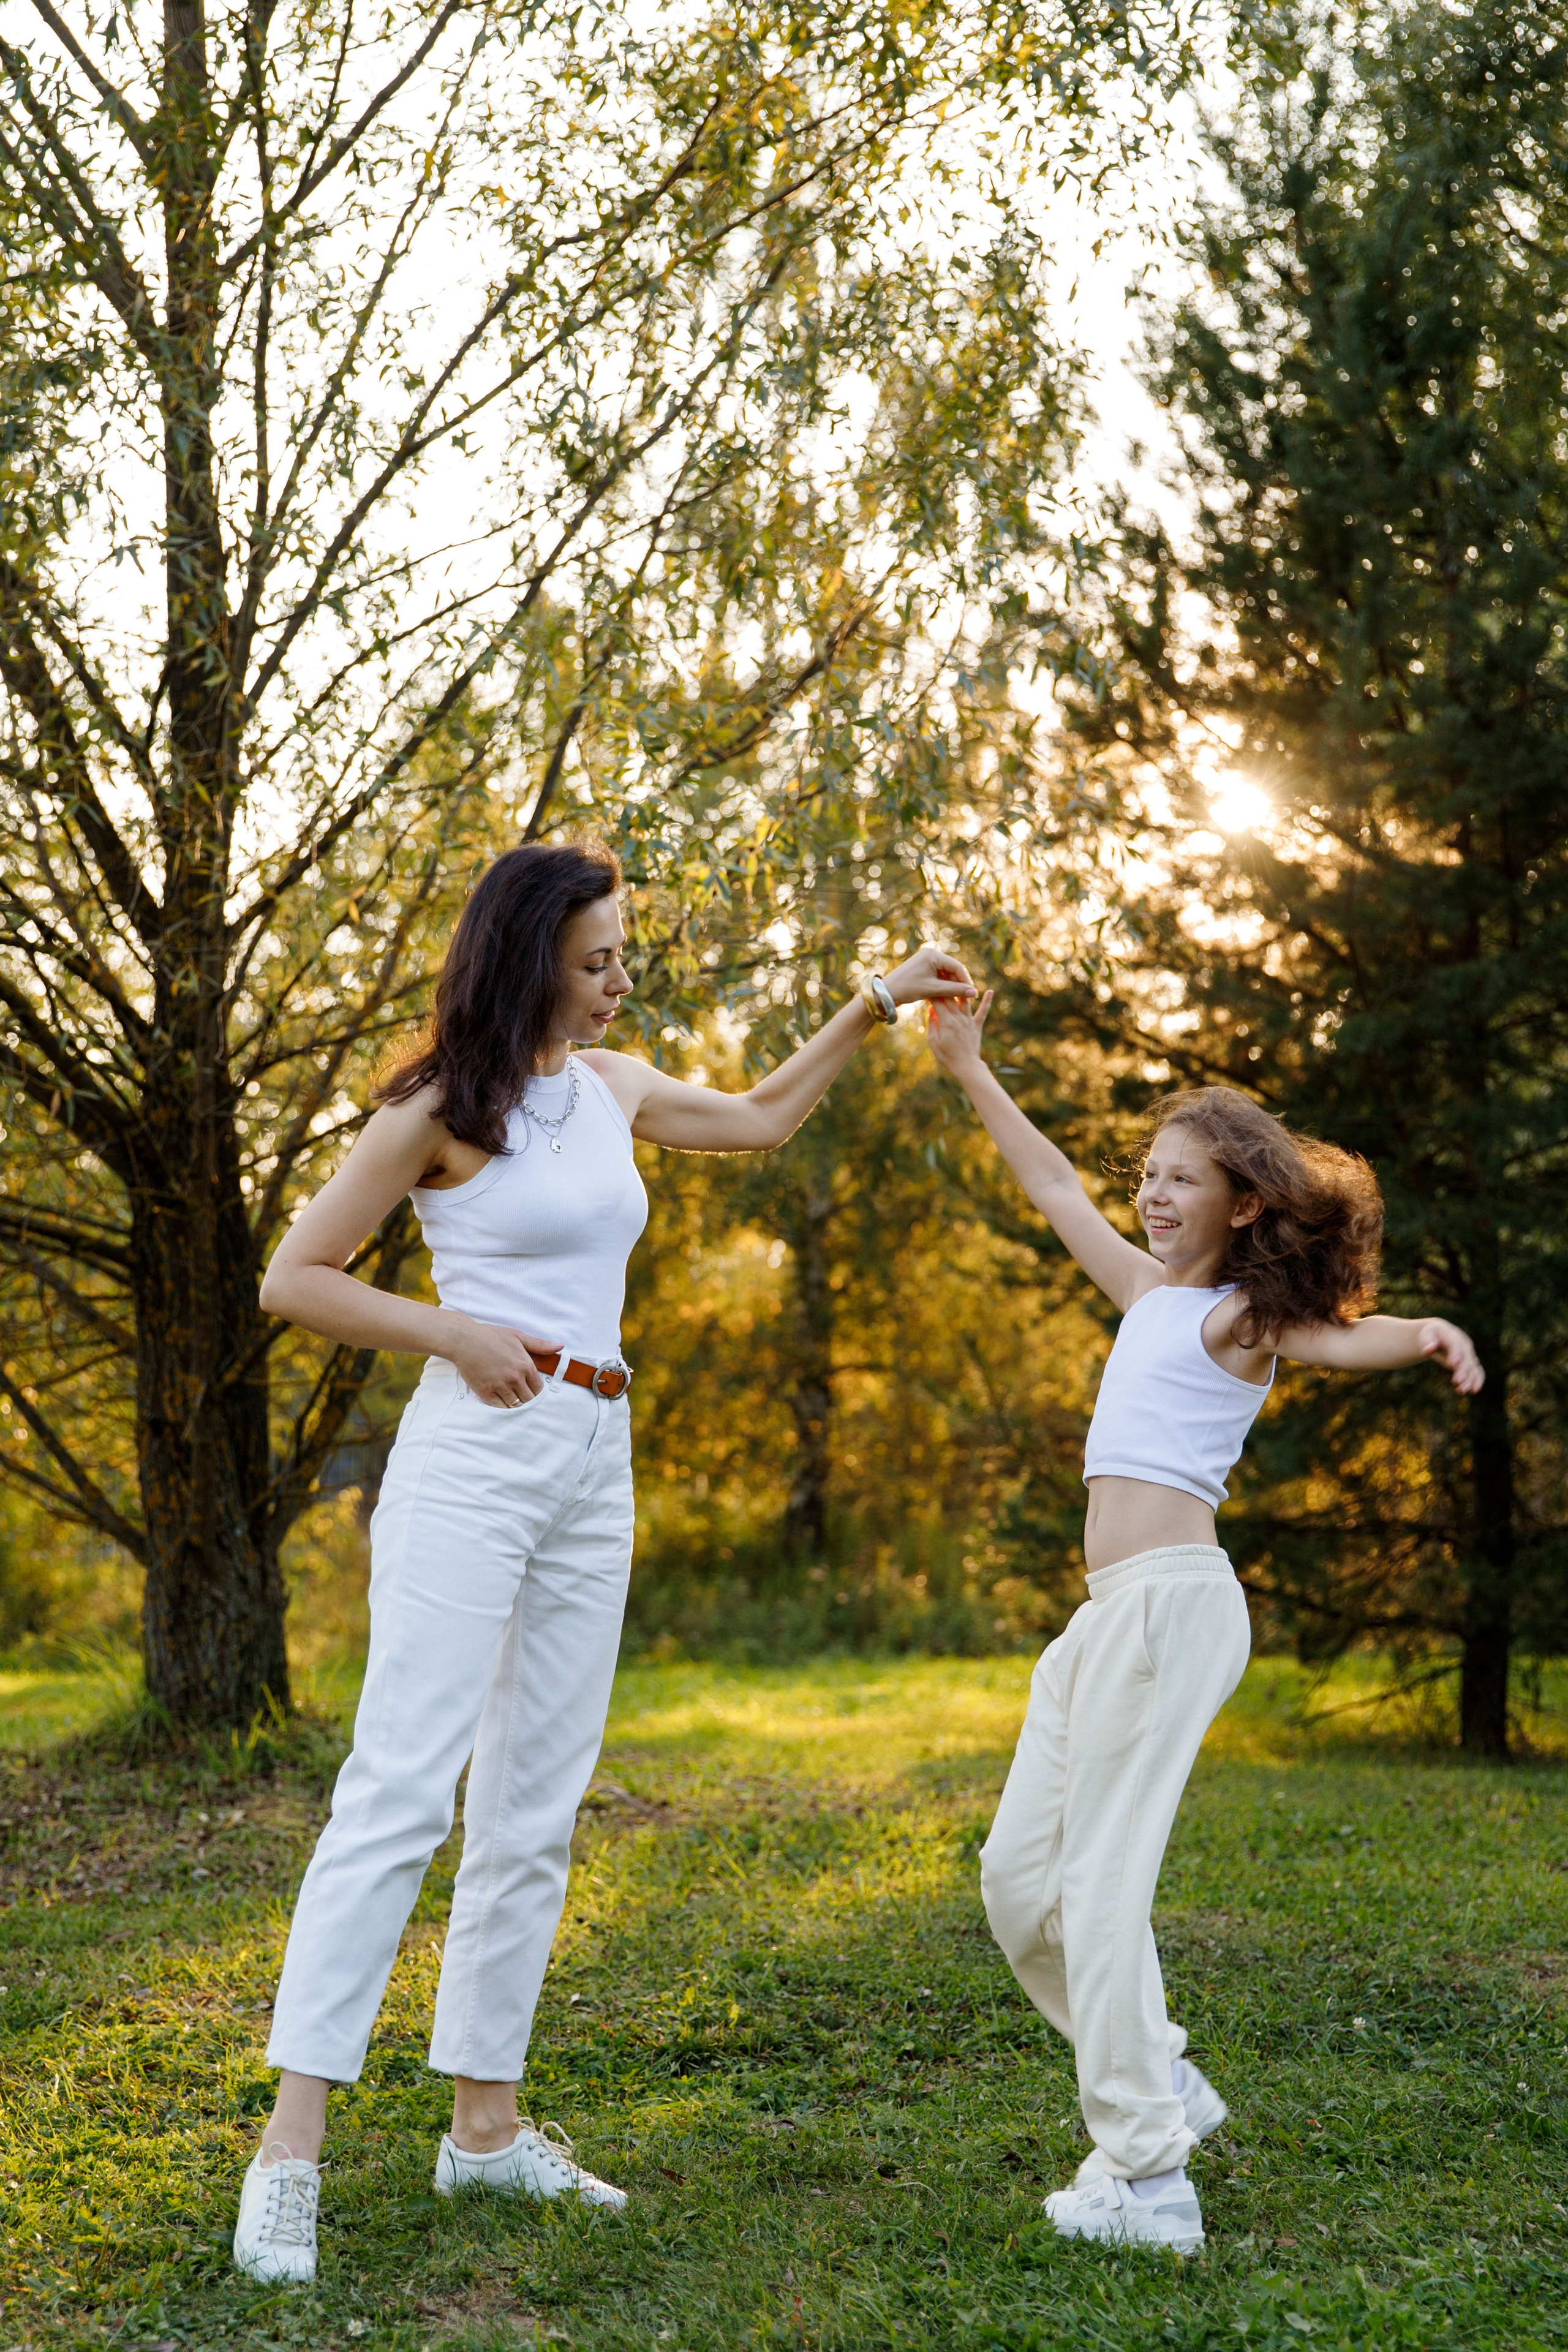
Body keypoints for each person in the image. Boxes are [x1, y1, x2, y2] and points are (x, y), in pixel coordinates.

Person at [233, 839, 974, 2283]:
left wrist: (875, 1002)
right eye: (595, 961)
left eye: (621, 955)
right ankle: (288, 2155)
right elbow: (294, 1276)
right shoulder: (437, 1112)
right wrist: (453, 1331)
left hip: (594, 1454)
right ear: (528, 963)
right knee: (399, 1793)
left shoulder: (613, 1089)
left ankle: (485, 2132)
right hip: (471, 1456)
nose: (619, 979)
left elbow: (761, 1117)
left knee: (534, 1806)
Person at [924, 993, 1482, 2253]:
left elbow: (1346, 1338)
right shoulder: (1144, 1294)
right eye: (1151, 1174)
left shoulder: (1239, 1316)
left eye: (1185, 1179)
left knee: (1098, 1890)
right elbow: (1052, 1182)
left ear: (1243, 1205)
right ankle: (1160, 2073)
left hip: (1175, 1607)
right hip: (1103, 1622)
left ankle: (1148, 2181)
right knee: (1017, 1885)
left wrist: (1427, 1336)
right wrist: (968, 1069)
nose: (1155, 1194)